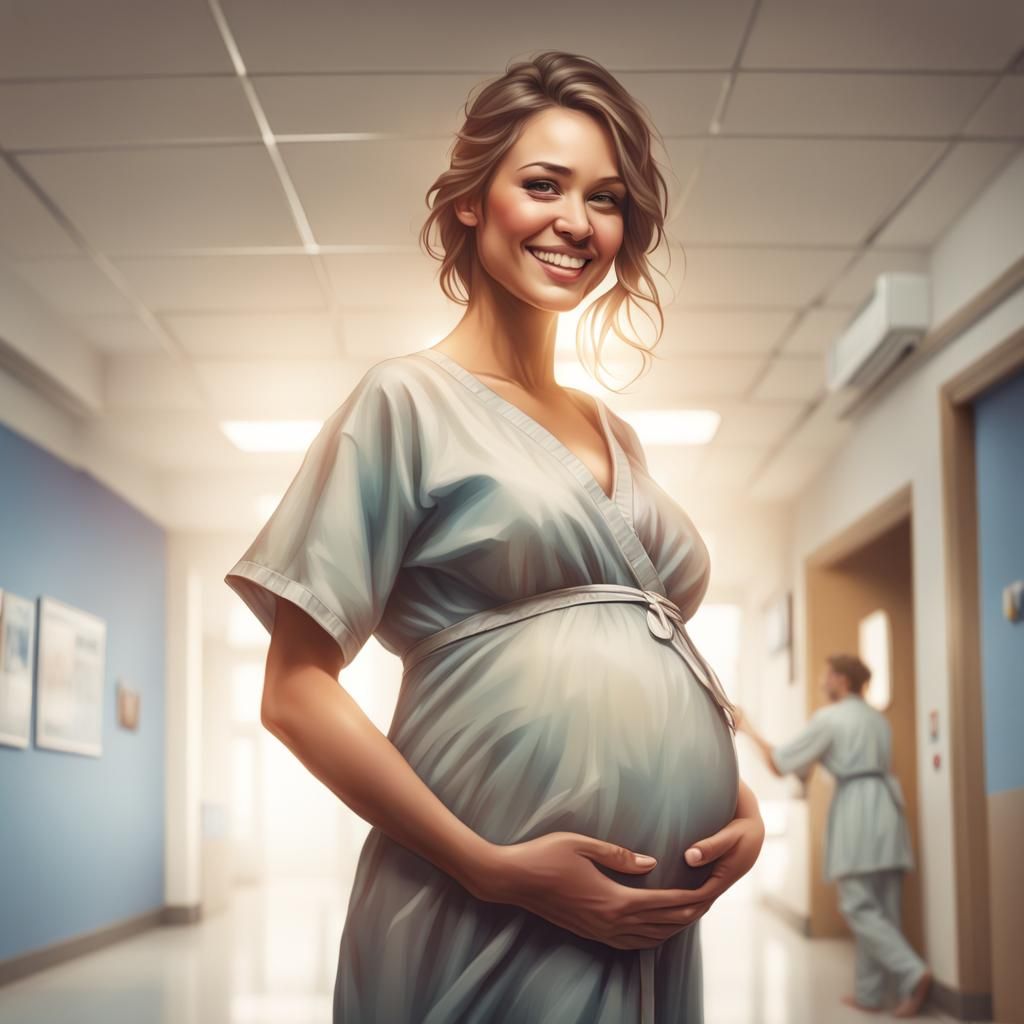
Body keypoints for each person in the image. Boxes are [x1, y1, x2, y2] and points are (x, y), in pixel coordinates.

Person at [225, 51, 764, 1024]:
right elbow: (294, 691)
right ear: (472, 201)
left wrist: (737, 811)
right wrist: (498, 869)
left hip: (651, 920)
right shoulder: (406, 401)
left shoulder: (618, 433)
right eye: (543, 185)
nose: (575, 222)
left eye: (604, 198)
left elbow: (652, 646)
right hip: (482, 900)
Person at [734, 653, 933, 1018]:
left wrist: (747, 729)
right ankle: (871, 994)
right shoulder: (877, 720)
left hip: (857, 809)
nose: (822, 682)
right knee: (884, 908)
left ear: (841, 680)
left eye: (826, 676)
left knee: (857, 905)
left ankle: (912, 972)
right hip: (887, 807)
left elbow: (780, 764)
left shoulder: (831, 719)